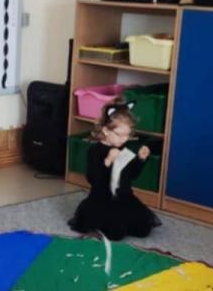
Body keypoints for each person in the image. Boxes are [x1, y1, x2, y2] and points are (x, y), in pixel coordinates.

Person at [68, 101, 159, 240]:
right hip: (102, 199)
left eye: (127, 135)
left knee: (143, 229)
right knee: (115, 233)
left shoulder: (123, 148)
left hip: (124, 197)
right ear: (105, 130)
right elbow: (93, 180)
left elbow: (132, 175)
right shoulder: (95, 151)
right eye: (119, 135)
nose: (124, 139)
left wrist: (141, 159)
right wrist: (108, 161)